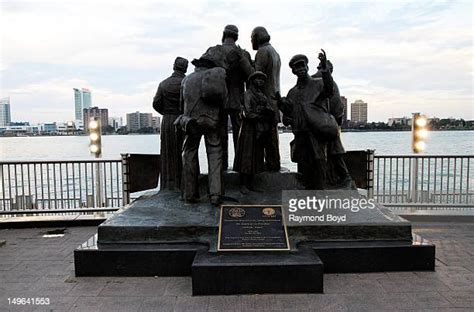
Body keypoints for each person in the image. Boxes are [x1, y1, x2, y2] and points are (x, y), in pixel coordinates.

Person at [276, 51, 334, 189]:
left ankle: (320, 196)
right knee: (303, 166)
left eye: (303, 66)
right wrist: (281, 105)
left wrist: (325, 71)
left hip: (315, 132)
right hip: (300, 134)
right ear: (293, 71)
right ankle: (305, 199)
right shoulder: (292, 92)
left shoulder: (318, 83)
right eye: (297, 67)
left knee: (319, 162)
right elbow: (287, 118)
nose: (300, 69)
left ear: (307, 67)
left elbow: (329, 90)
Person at [178, 52, 227, 206]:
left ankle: (190, 194)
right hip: (212, 122)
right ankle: (215, 195)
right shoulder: (216, 78)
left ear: (197, 65)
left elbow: (181, 106)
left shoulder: (186, 80)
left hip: (192, 123)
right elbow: (224, 102)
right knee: (215, 156)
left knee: (189, 154)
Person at [217, 25, 254, 170]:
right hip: (238, 99)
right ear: (236, 37)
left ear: (223, 34)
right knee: (240, 137)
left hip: (219, 100)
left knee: (220, 137)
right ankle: (240, 169)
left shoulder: (215, 51)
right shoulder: (243, 53)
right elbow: (251, 76)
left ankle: (221, 169)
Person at [312, 60, 351, 186]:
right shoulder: (328, 83)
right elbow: (338, 107)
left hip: (316, 126)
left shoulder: (312, 81)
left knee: (325, 154)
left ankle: (331, 179)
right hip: (325, 124)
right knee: (333, 152)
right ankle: (342, 177)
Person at [233, 71, 273, 193]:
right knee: (246, 155)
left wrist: (267, 113)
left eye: (263, 79)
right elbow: (247, 113)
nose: (261, 81)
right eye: (258, 79)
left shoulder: (263, 95)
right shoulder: (248, 94)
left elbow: (269, 109)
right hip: (248, 129)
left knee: (256, 155)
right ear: (252, 81)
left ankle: (251, 183)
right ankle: (243, 184)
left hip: (259, 129)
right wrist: (262, 116)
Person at [152, 57, 188, 190]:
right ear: (185, 68)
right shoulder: (187, 82)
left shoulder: (163, 84)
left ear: (174, 66)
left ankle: (168, 183)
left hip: (167, 121)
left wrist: (166, 112)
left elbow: (156, 103)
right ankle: (184, 183)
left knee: (167, 151)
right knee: (185, 151)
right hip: (183, 120)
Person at [251, 26, 281, 171]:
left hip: (265, 101)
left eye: (252, 37)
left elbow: (256, 76)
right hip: (275, 99)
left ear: (257, 37)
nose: (251, 41)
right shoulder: (274, 51)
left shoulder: (262, 51)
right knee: (272, 136)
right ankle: (274, 163)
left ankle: (271, 165)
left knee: (266, 136)